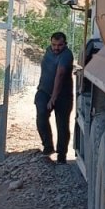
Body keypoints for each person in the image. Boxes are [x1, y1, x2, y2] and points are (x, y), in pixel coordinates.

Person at [36, 31, 74, 164]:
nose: (56, 48)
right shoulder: (48, 51)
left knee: (62, 125)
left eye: (60, 45)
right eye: (54, 45)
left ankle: (61, 156)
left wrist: (53, 98)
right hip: (44, 91)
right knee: (41, 114)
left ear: (65, 44)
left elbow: (60, 75)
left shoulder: (66, 55)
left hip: (62, 96)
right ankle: (48, 147)